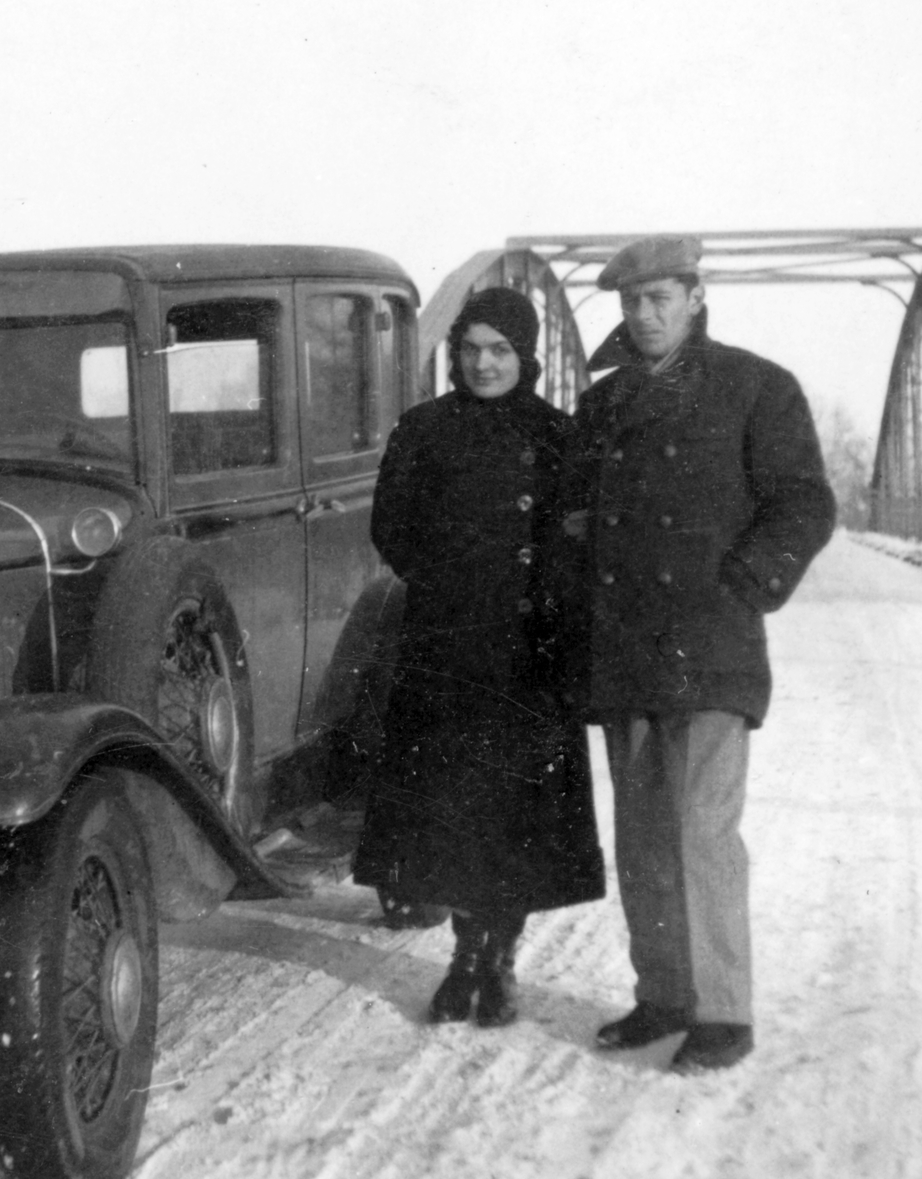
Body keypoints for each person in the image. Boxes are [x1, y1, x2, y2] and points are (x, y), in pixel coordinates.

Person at [560, 235, 836, 1071]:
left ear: (695, 296)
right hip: (625, 649)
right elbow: (573, 520)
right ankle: (664, 995)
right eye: (631, 302)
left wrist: (745, 581)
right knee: (643, 834)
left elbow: (803, 503)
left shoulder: (757, 387)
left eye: (660, 299)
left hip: (711, 645)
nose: (644, 316)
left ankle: (723, 1010)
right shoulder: (601, 408)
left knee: (702, 830)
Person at [353, 286, 606, 1027]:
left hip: (530, 652)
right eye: (470, 350)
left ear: (524, 355)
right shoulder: (423, 429)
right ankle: (464, 953)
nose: (483, 363)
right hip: (450, 648)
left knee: (516, 815)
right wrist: (449, 579)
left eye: (499, 350)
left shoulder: (559, 435)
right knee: (452, 812)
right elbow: (391, 530)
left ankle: (499, 956)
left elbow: (579, 541)